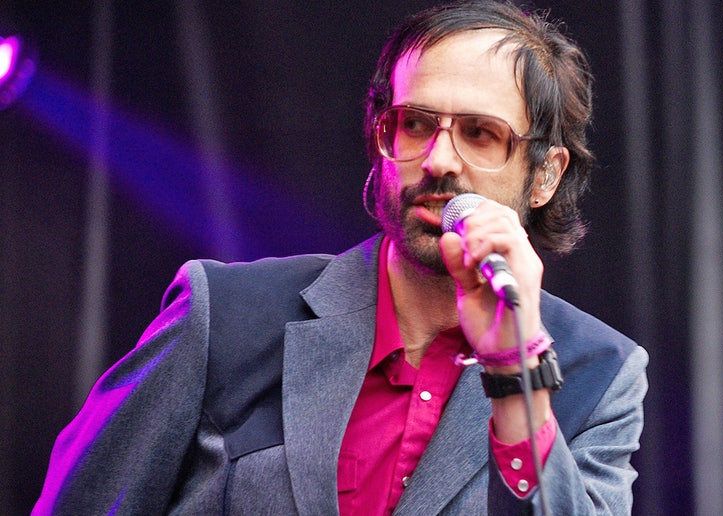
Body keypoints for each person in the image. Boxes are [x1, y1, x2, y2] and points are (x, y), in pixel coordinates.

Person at [34, 1, 648, 514]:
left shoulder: (601, 377)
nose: (438, 160)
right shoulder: (226, 314)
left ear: (544, 175)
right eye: (415, 124)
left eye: (479, 134)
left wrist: (516, 372)